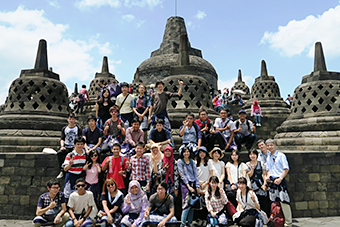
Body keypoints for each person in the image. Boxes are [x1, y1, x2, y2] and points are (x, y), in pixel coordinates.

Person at [266, 139, 292, 227]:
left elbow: (286, 169)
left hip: (280, 180)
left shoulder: (281, 156)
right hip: (272, 180)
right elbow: (268, 169)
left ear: (275, 145)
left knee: (284, 201)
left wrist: (280, 178)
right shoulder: (268, 156)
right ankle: (276, 220)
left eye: (271, 145)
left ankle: (288, 223)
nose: (269, 147)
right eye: (268, 145)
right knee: (273, 201)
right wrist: (268, 177)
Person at [177, 146, 201, 227]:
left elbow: (196, 174)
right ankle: (183, 223)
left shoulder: (192, 162)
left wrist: (197, 186)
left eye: (188, 152)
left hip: (193, 183)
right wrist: (188, 186)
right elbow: (182, 175)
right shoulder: (180, 162)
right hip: (185, 185)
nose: (186, 153)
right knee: (186, 205)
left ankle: (190, 222)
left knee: (192, 204)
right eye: (184, 152)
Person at [57, 113, 82, 179]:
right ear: (67, 120)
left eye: (73, 119)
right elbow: (62, 139)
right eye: (70, 119)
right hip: (67, 146)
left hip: (75, 147)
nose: (71, 120)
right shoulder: (64, 129)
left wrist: (76, 146)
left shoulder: (78, 128)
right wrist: (62, 146)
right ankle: (62, 170)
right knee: (60, 153)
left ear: (75, 120)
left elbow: (80, 138)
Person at [246, 149, 270, 217]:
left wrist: (264, 184)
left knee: (263, 200)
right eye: (251, 154)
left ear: (257, 155)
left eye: (254, 154)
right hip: (252, 184)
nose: (252, 156)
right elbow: (249, 175)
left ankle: (265, 216)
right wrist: (252, 169)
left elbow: (264, 174)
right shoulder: (247, 164)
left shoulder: (261, 163)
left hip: (260, 183)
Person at [62, 137, 87, 201]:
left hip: (80, 176)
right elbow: (65, 169)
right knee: (67, 194)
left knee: (78, 194)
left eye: (81, 144)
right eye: (78, 144)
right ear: (75, 145)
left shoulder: (86, 155)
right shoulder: (70, 155)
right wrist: (70, 164)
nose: (80, 146)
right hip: (70, 175)